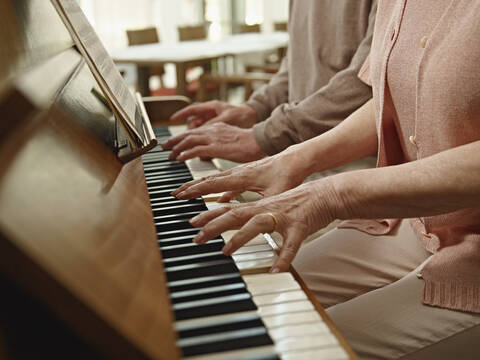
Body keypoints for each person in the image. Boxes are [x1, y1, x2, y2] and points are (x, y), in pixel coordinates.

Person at [170, 1, 480, 358]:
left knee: (294, 347)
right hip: (416, 225)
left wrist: (332, 194)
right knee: (239, 297)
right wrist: (295, 158)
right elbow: (389, 94)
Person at [162, 0, 377, 164]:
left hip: (357, 163)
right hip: (296, 150)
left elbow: (370, 81)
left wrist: (269, 134)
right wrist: (253, 109)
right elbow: (295, 64)